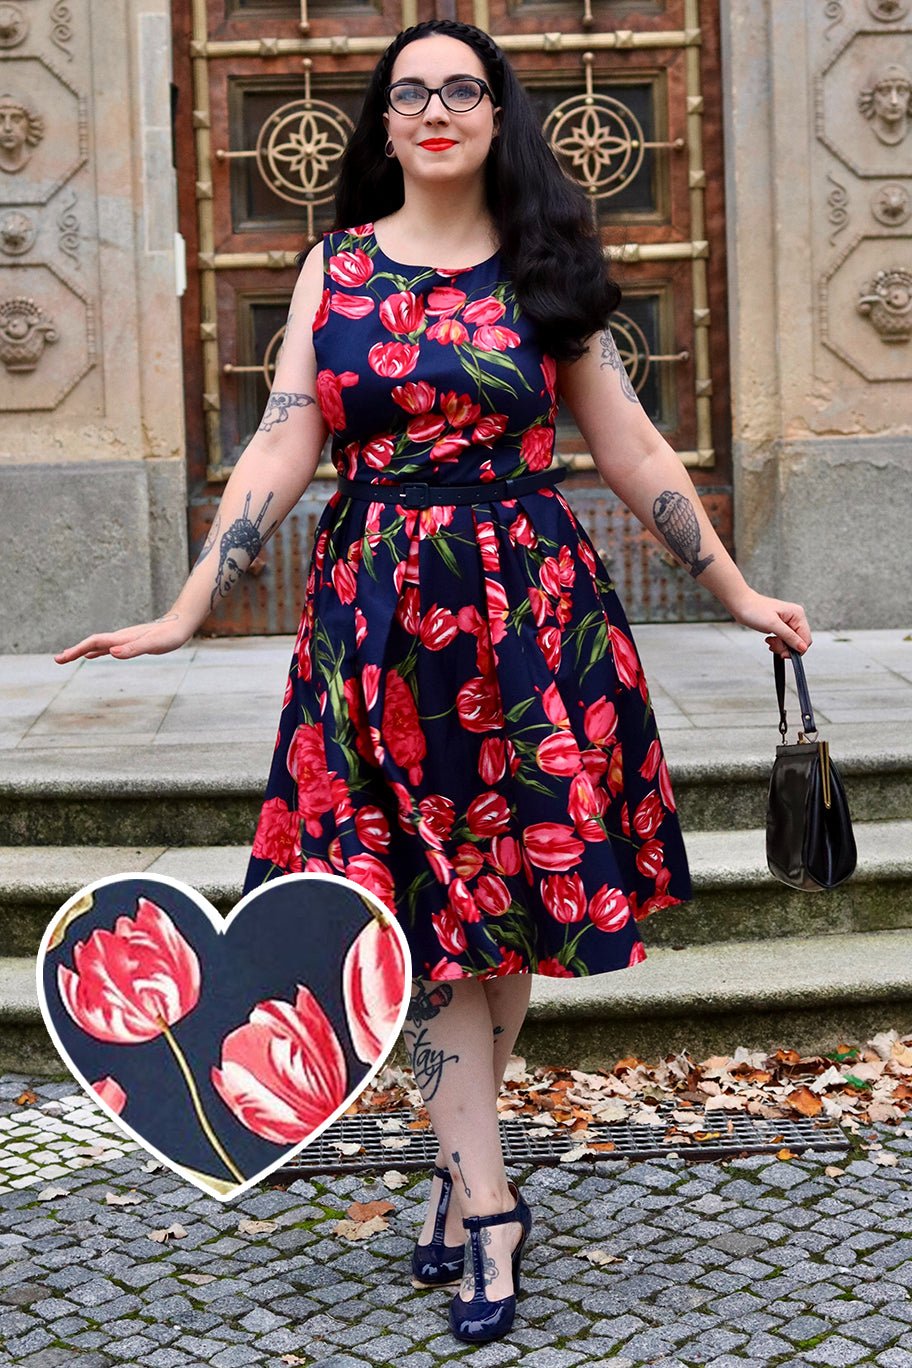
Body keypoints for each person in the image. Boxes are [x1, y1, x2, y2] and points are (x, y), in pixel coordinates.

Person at [54, 18, 812, 1346]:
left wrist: (739, 593)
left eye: (462, 88)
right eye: (410, 93)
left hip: (529, 617)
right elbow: (281, 444)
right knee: (421, 917)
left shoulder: (544, 263)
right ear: (386, 123)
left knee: (502, 908)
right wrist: (185, 610)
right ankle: (489, 1201)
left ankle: (461, 1171)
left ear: (497, 112)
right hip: (375, 626)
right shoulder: (335, 266)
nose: (436, 109)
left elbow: (632, 447)